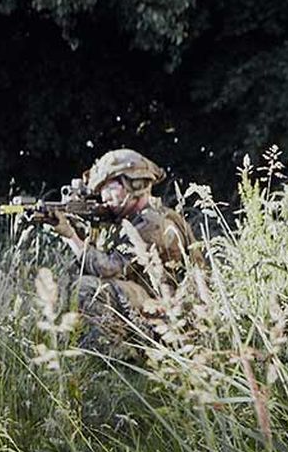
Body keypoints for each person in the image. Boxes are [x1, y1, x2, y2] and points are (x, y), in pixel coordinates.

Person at [43, 149, 199, 359]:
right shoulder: (125, 220)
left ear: (135, 184)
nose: (104, 196)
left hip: (171, 317)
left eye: (110, 187)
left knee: (87, 288)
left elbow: (109, 269)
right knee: (70, 282)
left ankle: (117, 359)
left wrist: (71, 236)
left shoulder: (152, 222)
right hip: (148, 307)